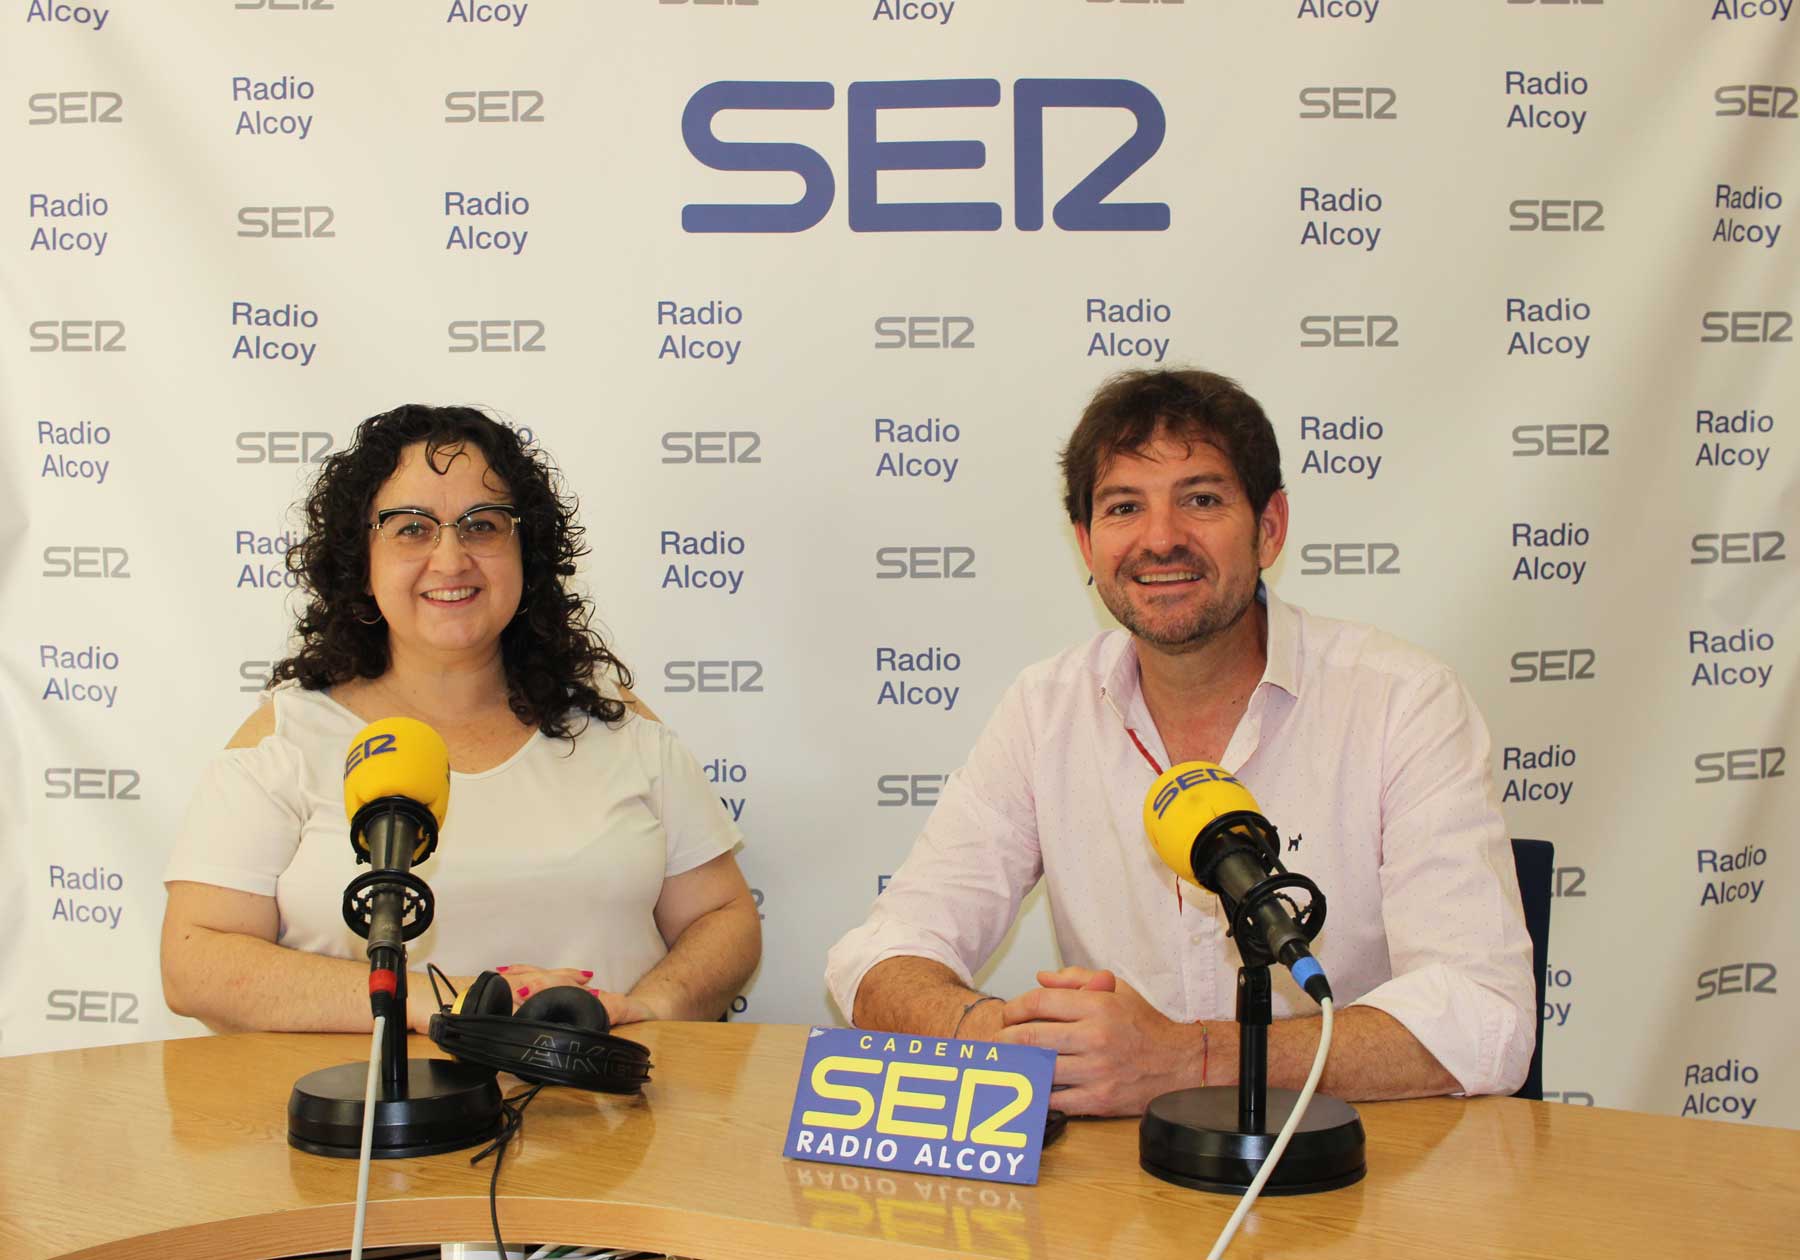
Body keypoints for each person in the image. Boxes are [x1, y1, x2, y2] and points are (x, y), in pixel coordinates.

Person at [826, 369, 1534, 1115]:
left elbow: (1487, 1014)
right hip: (1130, 1186)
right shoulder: (1046, 708)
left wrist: (1188, 1057)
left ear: (1269, 527)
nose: (1160, 539)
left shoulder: (1402, 700)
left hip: (1360, 1171)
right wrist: (1006, 1041)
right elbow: (879, 954)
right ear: (1086, 545)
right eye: (1124, 507)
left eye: (1201, 499)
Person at [162, 405, 760, 1034]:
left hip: (605, 1117)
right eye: (410, 528)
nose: (450, 559)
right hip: (375, 1125)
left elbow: (721, 918)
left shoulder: (613, 721)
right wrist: (440, 1001)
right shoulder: (286, 738)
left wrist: (648, 1009)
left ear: (525, 553)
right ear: (359, 560)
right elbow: (194, 962)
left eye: (482, 524)